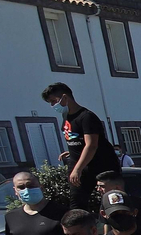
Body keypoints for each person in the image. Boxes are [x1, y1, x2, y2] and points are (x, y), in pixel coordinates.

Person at [41, 83, 120, 211]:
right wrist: (73, 151)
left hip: (100, 164)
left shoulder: (86, 116)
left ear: (64, 97)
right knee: (77, 203)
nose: (53, 105)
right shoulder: (65, 116)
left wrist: (78, 169)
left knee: (112, 200)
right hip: (78, 163)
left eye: (54, 101)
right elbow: (77, 139)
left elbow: (91, 145)